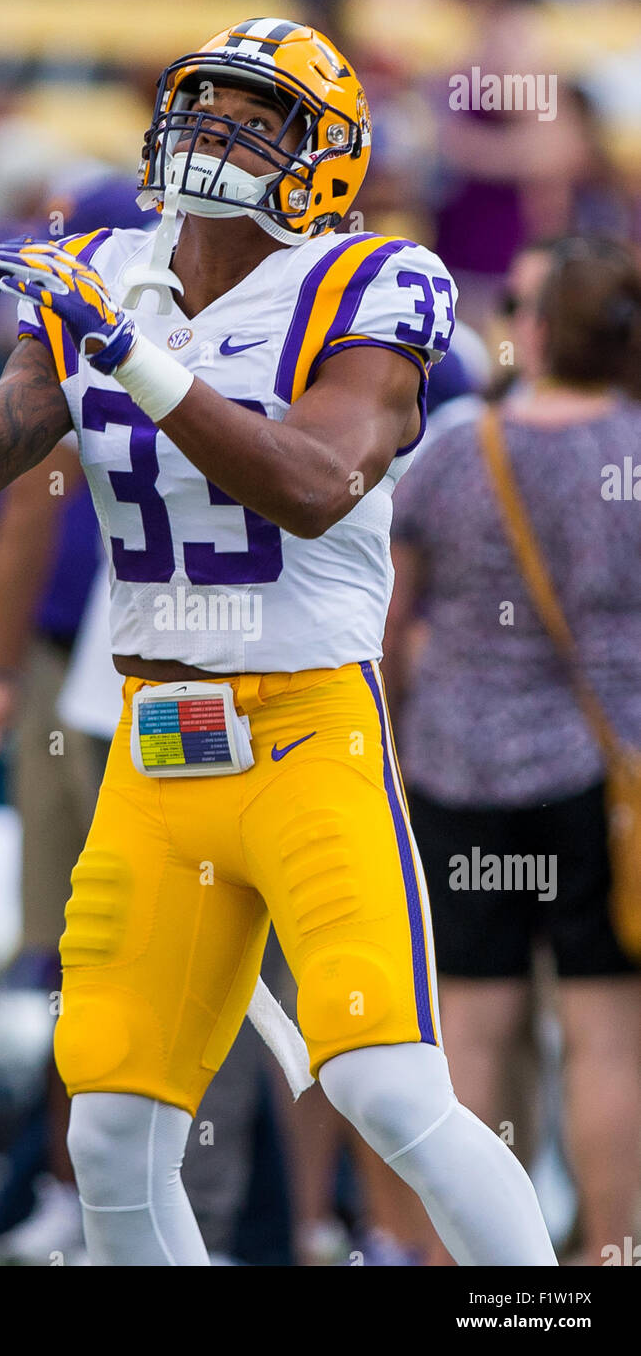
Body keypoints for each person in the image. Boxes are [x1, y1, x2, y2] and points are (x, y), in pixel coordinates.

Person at [0, 18, 556, 1266]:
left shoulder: (371, 281)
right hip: (156, 748)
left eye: (255, 117)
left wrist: (128, 354)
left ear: (323, 157)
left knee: (385, 1089)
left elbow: (310, 481)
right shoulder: (103, 267)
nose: (214, 131)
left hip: (309, 728)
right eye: (200, 104)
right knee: (110, 1128)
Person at [387, 235, 641, 1264]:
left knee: (468, 1037)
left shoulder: (455, 448)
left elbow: (391, 619)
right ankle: (608, 1255)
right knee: (603, 1037)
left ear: (534, 331)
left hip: (456, 772)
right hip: (601, 774)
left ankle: (459, 1260)